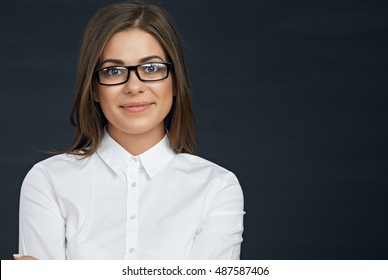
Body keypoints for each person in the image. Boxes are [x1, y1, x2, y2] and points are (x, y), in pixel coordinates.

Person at [15, 1, 244, 260]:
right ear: (94, 89)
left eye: (151, 68)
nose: (134, 86)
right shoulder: (48, 182)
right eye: (114, 71)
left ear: (176, 81)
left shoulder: (217, 187)